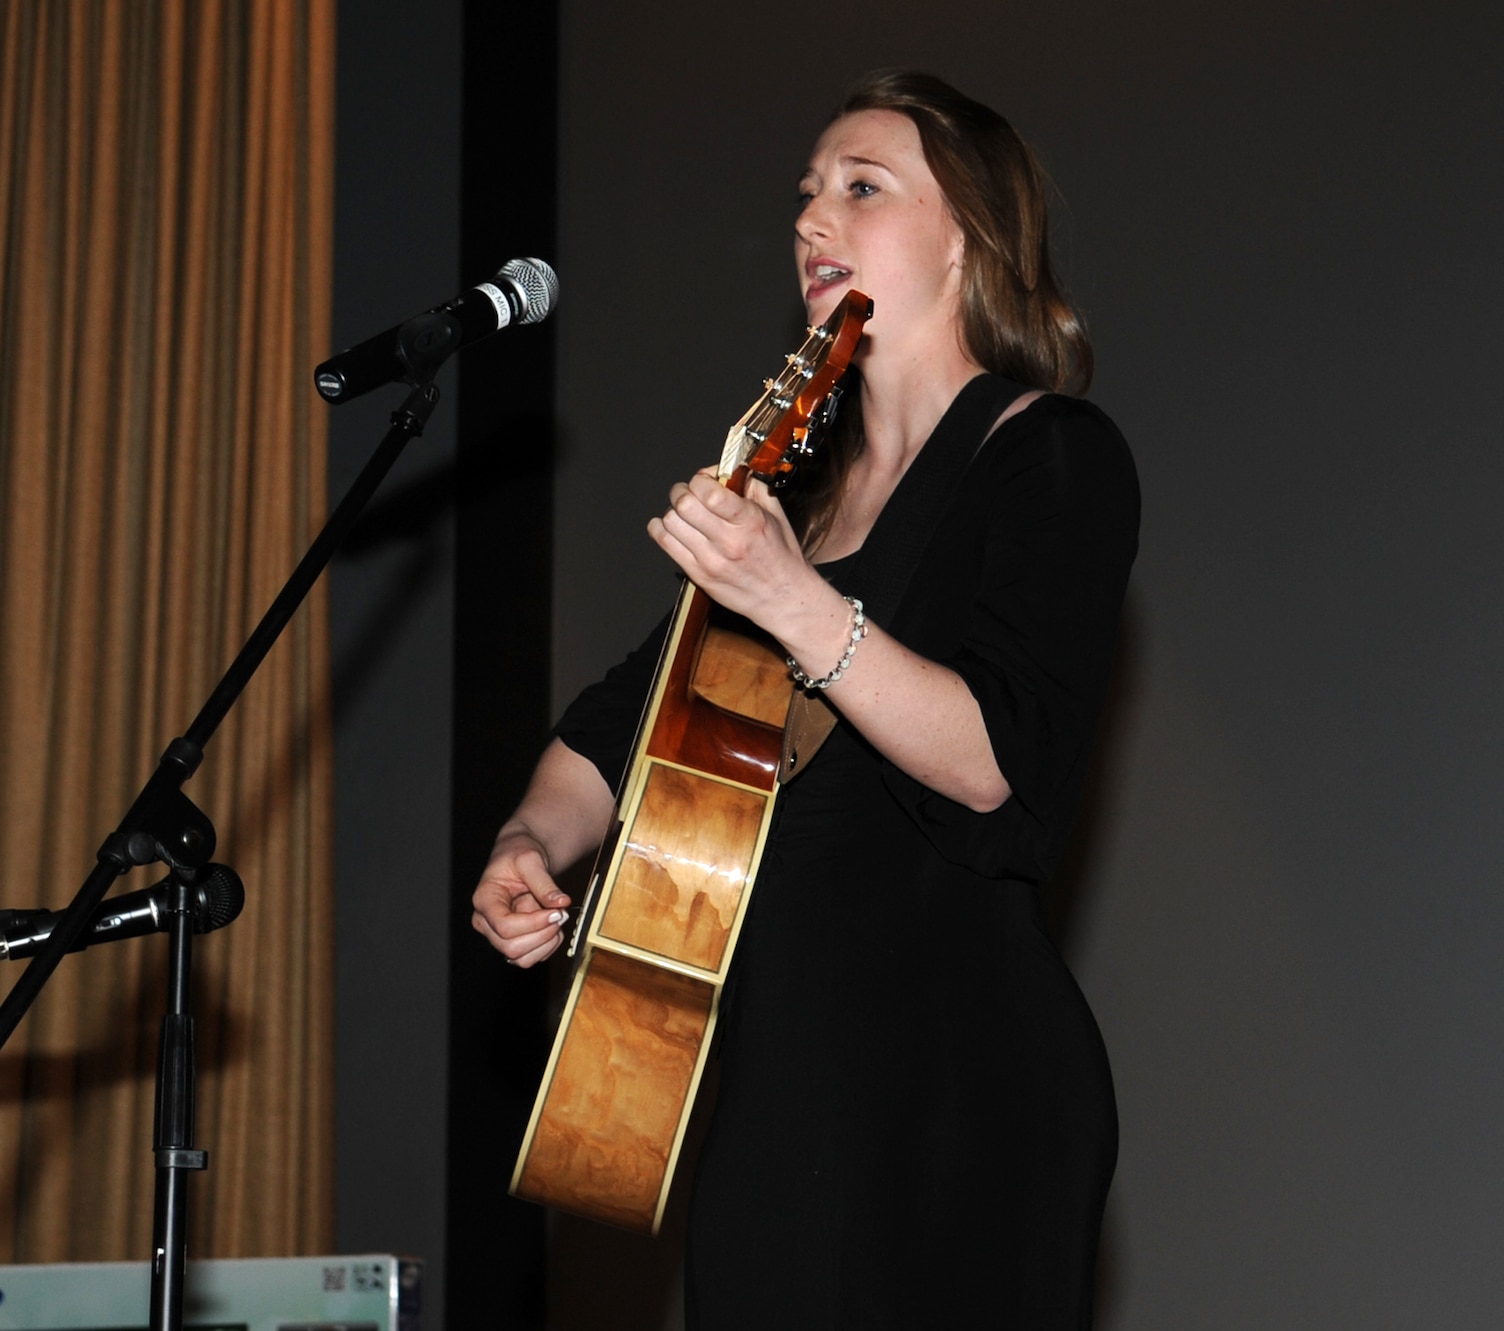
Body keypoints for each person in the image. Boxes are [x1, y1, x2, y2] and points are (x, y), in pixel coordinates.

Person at [469, 70, 1138, 1327]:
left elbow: (999, 762)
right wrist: (527, 841)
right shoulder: (794, 499)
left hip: (955, 1088)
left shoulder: (1047, 453)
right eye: (804, 195)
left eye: (861, 188)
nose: (811, 220)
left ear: (972, 237)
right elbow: (614, 723)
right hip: (780, 1084)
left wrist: (791, 599)